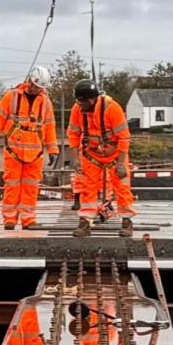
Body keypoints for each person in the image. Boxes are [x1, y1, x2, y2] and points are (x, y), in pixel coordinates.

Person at [0, 71, 59, 231]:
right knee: (12, 185)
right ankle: (10, 219)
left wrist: (53, 149)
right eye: (35, 86)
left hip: (35, 154)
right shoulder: (11, 97)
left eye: (39, 87)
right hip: (14, 151)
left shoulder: (45, 102)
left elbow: (50, 127)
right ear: (30, 81)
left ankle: (28, 219)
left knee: (31, 187)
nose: (36, 89)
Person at [68, 80, 135, 235]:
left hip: (115, 155)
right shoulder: (77, 109)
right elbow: (73, 134)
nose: (79, 104)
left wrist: (120, 164)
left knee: (122, 188)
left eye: (81, 101)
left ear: (90, 100)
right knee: (87, 188)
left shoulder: (112, 109)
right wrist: (75, 158)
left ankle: (127, 222)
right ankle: (85, 222)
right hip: (91, 155)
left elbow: (124, 137)